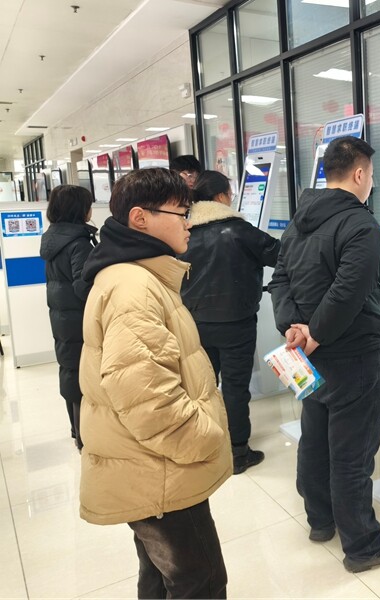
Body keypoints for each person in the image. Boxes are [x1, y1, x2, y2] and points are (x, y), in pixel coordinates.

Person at [79, 168, 231, 599]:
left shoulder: (134, 275)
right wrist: (203, 436)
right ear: (140, 218)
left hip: (148, 468)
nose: (189, 223)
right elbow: (145, 395)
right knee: (200, 582)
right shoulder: (134, 288)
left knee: (161, 578)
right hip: (160, 472)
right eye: (181, 212)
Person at [268, 136, 380, 573]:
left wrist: (294, 329)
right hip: (352, 355)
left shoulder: (300, 220)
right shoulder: (360, 225)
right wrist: (314, 333)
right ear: (359, 173)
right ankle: (363, 544)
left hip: (306, 353)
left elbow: (279, 279)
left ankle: (321, 519)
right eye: (371, 175)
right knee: (353, 452)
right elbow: (349, 291)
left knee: (315, 437)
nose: (372, 183)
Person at [180, 170, 281, 474]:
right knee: (236, 388)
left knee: (203, 386)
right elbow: (280, 255)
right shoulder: (240, 230)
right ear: (222, 196)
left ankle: (209, 445)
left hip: (196, 323)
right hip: (237, 323)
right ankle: (238, 452)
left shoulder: (185, 231)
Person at [39, 185, 97, 451]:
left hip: (62, 318)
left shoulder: (53, 238)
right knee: (82, 374)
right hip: (79, 319)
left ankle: (75, 430)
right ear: (79, 209)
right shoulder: (79, 242)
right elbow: (83, 286)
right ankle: (85, 437)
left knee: (69, 368)